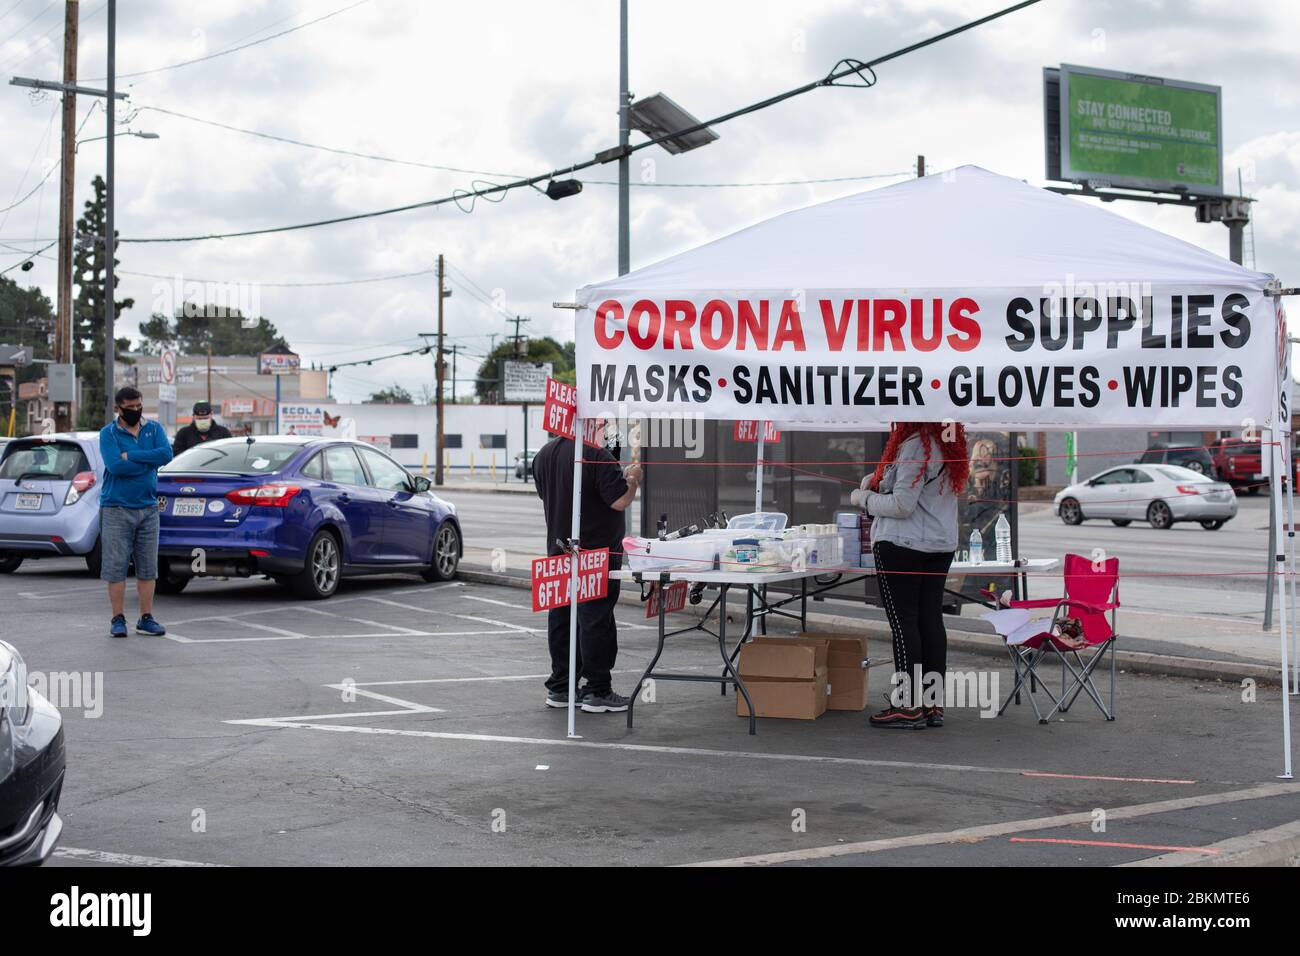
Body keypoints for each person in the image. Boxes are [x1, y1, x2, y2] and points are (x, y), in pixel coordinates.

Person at [851, 421, 968, 729]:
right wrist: (877, 480)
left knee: (905, 624)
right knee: (930, 621)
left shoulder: (917, 443)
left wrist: (861, 499)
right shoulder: (947, 440)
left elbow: (902, 505)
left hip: (903, 543)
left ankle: (906, 704)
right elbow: (915, 488)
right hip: (938, 544)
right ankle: (931, 703)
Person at [532, 430, 641, 713]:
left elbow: (546, 493)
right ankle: (597, 689)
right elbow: (619, 501)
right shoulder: (596, 455)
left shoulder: (544, 455)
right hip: (595, 554)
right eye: (604, 422)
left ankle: (561, 686)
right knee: (596, 620)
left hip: (559, 550)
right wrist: (632, 480)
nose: (607, 428)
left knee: (562, 618)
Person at [98, 387, 173, 638]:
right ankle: (117, 619)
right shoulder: (108, 433)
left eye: (138, 405)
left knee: (148, 567)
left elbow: (166, 454)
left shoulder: (154, 429)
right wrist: (148, 462)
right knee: (116, 566)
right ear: (118, 408)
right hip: (116, 508)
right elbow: (115, 466)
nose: (135, 411)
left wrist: (133, 455)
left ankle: (146, 618)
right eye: (129, 408)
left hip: (149, 508)